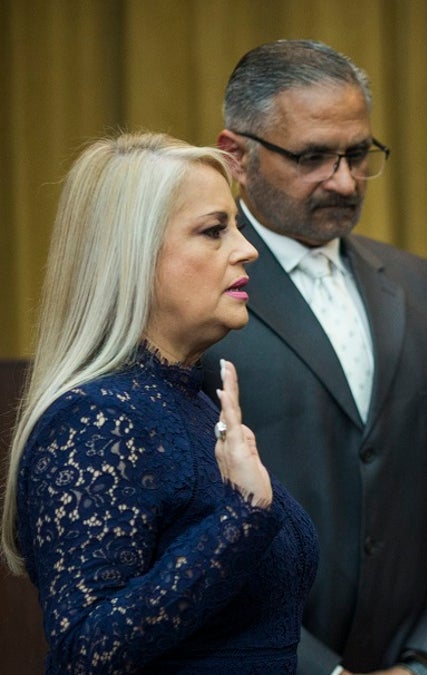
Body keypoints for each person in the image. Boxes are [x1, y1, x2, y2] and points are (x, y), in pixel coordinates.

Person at [203, 40, 427, 675]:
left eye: (358, 154)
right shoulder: (193, 300)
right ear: (236, 156)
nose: (344, 181)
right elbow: (189, 524)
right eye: (313, 157)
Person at [0, 131, 318, 673]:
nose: (247, 249)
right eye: (215, 230)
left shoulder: (189, 399)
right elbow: (85, 651)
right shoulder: (97, 417)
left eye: (235, 227)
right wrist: (242, 518)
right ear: (135, 253)